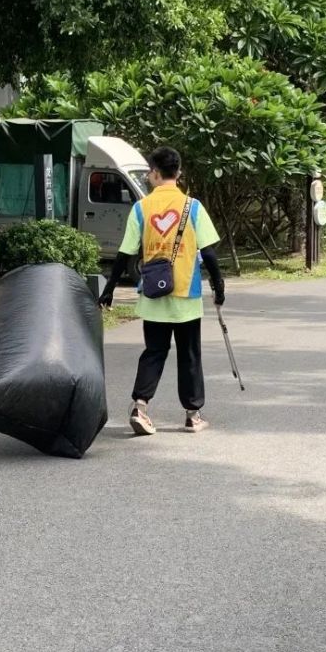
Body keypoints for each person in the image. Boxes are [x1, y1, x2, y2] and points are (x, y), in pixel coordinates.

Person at [98, 146, 225, 435]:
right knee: (189, 354)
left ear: (154, 174)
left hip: (154, 293)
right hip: (186, 295)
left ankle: (139, 407)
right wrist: (218, 286)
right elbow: (210, 252)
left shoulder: (141, 208)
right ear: (178, 173)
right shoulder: (193, 207)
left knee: (154, 351)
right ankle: (193, 415)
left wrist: (110, 289)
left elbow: (124, 254)